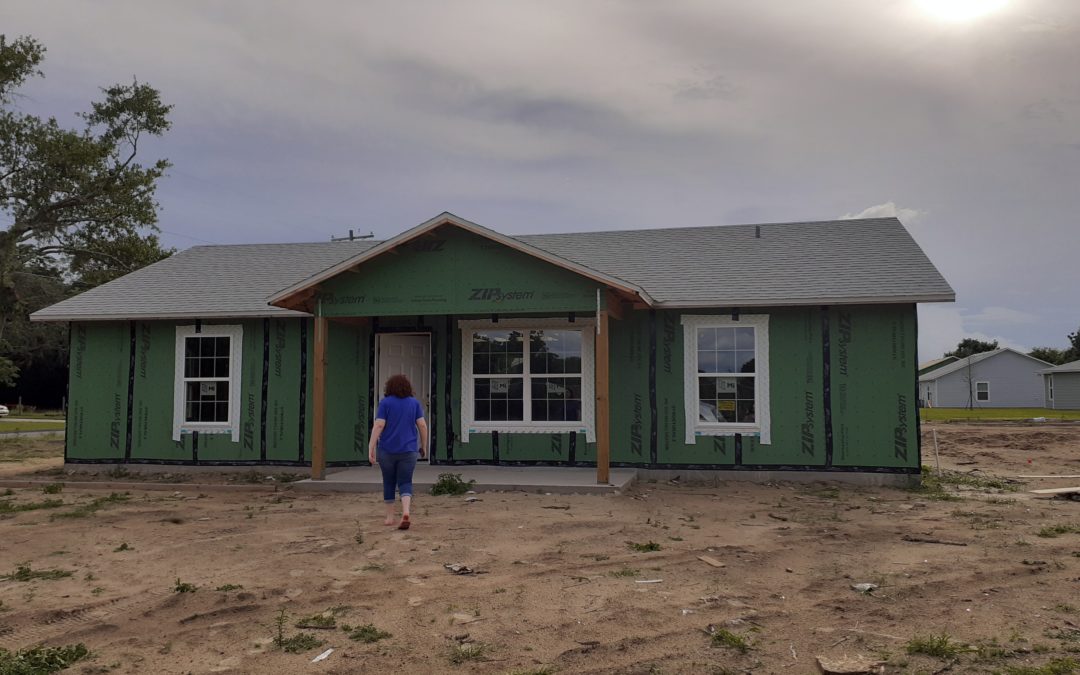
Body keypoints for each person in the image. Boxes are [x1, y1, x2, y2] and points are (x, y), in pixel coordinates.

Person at [368, 374, 428, 530]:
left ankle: (389, 517)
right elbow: (422, 425)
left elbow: (379, 425)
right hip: (408, 450)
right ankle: (406, 512)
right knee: (405, 481)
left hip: (387, 450)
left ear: (389, 387)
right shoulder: (414, 403)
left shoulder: (385, 403)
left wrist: (371, 446)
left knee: (388, 481)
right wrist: (424, 445)